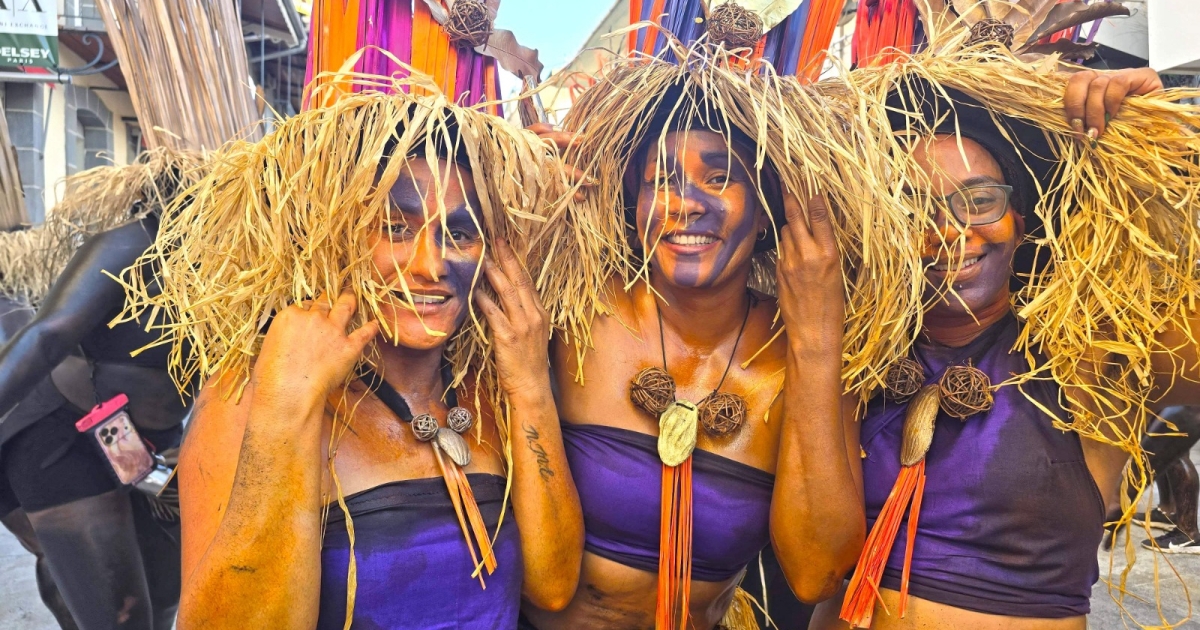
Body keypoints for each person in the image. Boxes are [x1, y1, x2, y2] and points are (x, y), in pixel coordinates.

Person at [123, 78, 588, 628]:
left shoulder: (492, 390)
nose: (432, 266)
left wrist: (531, 385)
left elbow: (553, 588)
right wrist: (285, 412)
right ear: (337, 240)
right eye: (394, 227)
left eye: (459, 233)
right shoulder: (250, 396)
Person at [801, 32, 1200, 629]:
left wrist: (1181, 153)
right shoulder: (863, 349)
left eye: (979, 201)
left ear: (1020, 217)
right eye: (914, 210)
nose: (951, 233)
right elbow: (814, 574)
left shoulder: (1086, 351)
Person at [0, 154, 201, 630]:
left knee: (163, 596)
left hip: (150, 449)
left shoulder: (245, 263)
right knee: (120, 616)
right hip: (60, 433)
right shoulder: (128, 244)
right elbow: (47, 336)